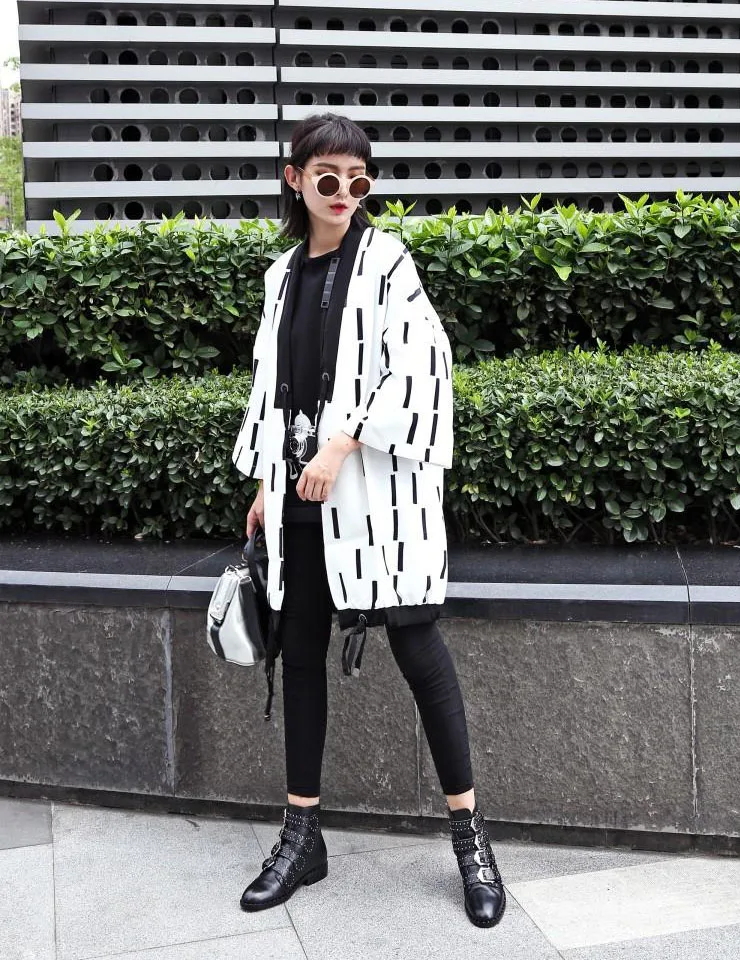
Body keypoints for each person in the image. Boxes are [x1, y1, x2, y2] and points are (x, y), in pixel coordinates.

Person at [231, 111, 506, 928]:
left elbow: (422, 362)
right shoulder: (281, 275)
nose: (344, 191)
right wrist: (265, 483)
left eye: (358, 178)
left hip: (376, 493)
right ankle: (302, 836)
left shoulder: (387, 261)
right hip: (298, 494)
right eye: (327, 177)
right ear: (294, 180)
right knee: (302, 653)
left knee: (419, 647)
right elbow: (269, 386)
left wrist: (343, 442)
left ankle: (470, 838)